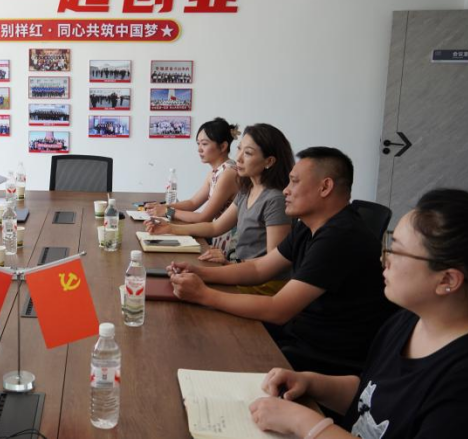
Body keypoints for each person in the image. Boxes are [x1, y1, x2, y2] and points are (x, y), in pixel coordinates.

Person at [249, 189, 468, 439]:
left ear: (447, 280)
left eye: (397, 250)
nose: (384, 259)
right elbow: (370, 397)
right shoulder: (407, 321)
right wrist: (312, 383)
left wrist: (303, 422)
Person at [166, 147, 395, 374]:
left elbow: (278, 309)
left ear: (325, 187)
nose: (286, 190)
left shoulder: (340, 237)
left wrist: (204, 295)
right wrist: (200, 272)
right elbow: (259, 268)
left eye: (294, 182)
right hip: (300, 331)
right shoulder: (309, 225)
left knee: (213, 348)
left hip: (327, 355)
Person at [147, 123, 293, 295]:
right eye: (239, 149)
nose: (238, 158)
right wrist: (171, 228)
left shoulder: (275, 200)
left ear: (269, 161)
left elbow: (272, 265)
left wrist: (230, 263)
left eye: (247, 153)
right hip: (242, 273)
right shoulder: (247, 190)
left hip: (264, 286)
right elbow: (215, 227)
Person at [146, 118, 240, 254]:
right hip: (219, 238)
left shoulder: (228, 173)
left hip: (230, 245)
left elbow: (204, 218)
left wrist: (168, 211)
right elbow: (193, 203)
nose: (199, 149)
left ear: (223, 146)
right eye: (198, 144)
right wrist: (163, 207)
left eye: (204, 144)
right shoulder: (216, 172)